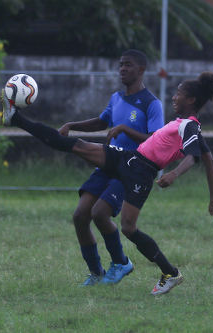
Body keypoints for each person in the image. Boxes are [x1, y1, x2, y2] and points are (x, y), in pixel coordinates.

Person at [1, 71, 213, 295]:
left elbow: (195, 156)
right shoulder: (180, 123)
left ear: (191, 100)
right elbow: (210, 160)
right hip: (128, 158)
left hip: (142, 173)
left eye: (179, 94)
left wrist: (174, 175)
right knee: (75, 145)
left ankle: (170, 273)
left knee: (128, 227)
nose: (174, 97)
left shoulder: (190, 126)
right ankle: (15, 118)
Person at [57, 50, 164, 286]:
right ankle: (96, 273)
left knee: (100, 213)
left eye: (128, 65)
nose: (123, 69)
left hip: (131, 168)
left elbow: (157, 140)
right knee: (80, 215)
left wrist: (126, 129)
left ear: (141, 70)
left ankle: (121, 262)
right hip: (107, 163)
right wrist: (71, 125)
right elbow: (101, 122)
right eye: (121, 65)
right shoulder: (116, 98)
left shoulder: (151, 103)